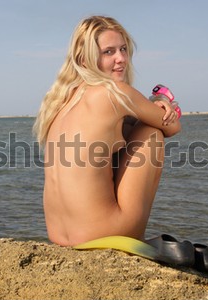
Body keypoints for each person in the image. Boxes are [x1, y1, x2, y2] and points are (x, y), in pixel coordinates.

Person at [33, 16, 181, 247]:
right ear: (85, 59)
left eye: (123, 49)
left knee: (127, 129)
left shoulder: (60, 101)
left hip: (59, 237)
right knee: (151, 132)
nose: (121, 58)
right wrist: (161, 100)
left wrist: (143, 110)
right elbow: (171, 126)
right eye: (108, 52)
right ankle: (136, 237)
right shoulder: (114, 92)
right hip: (102, 234)